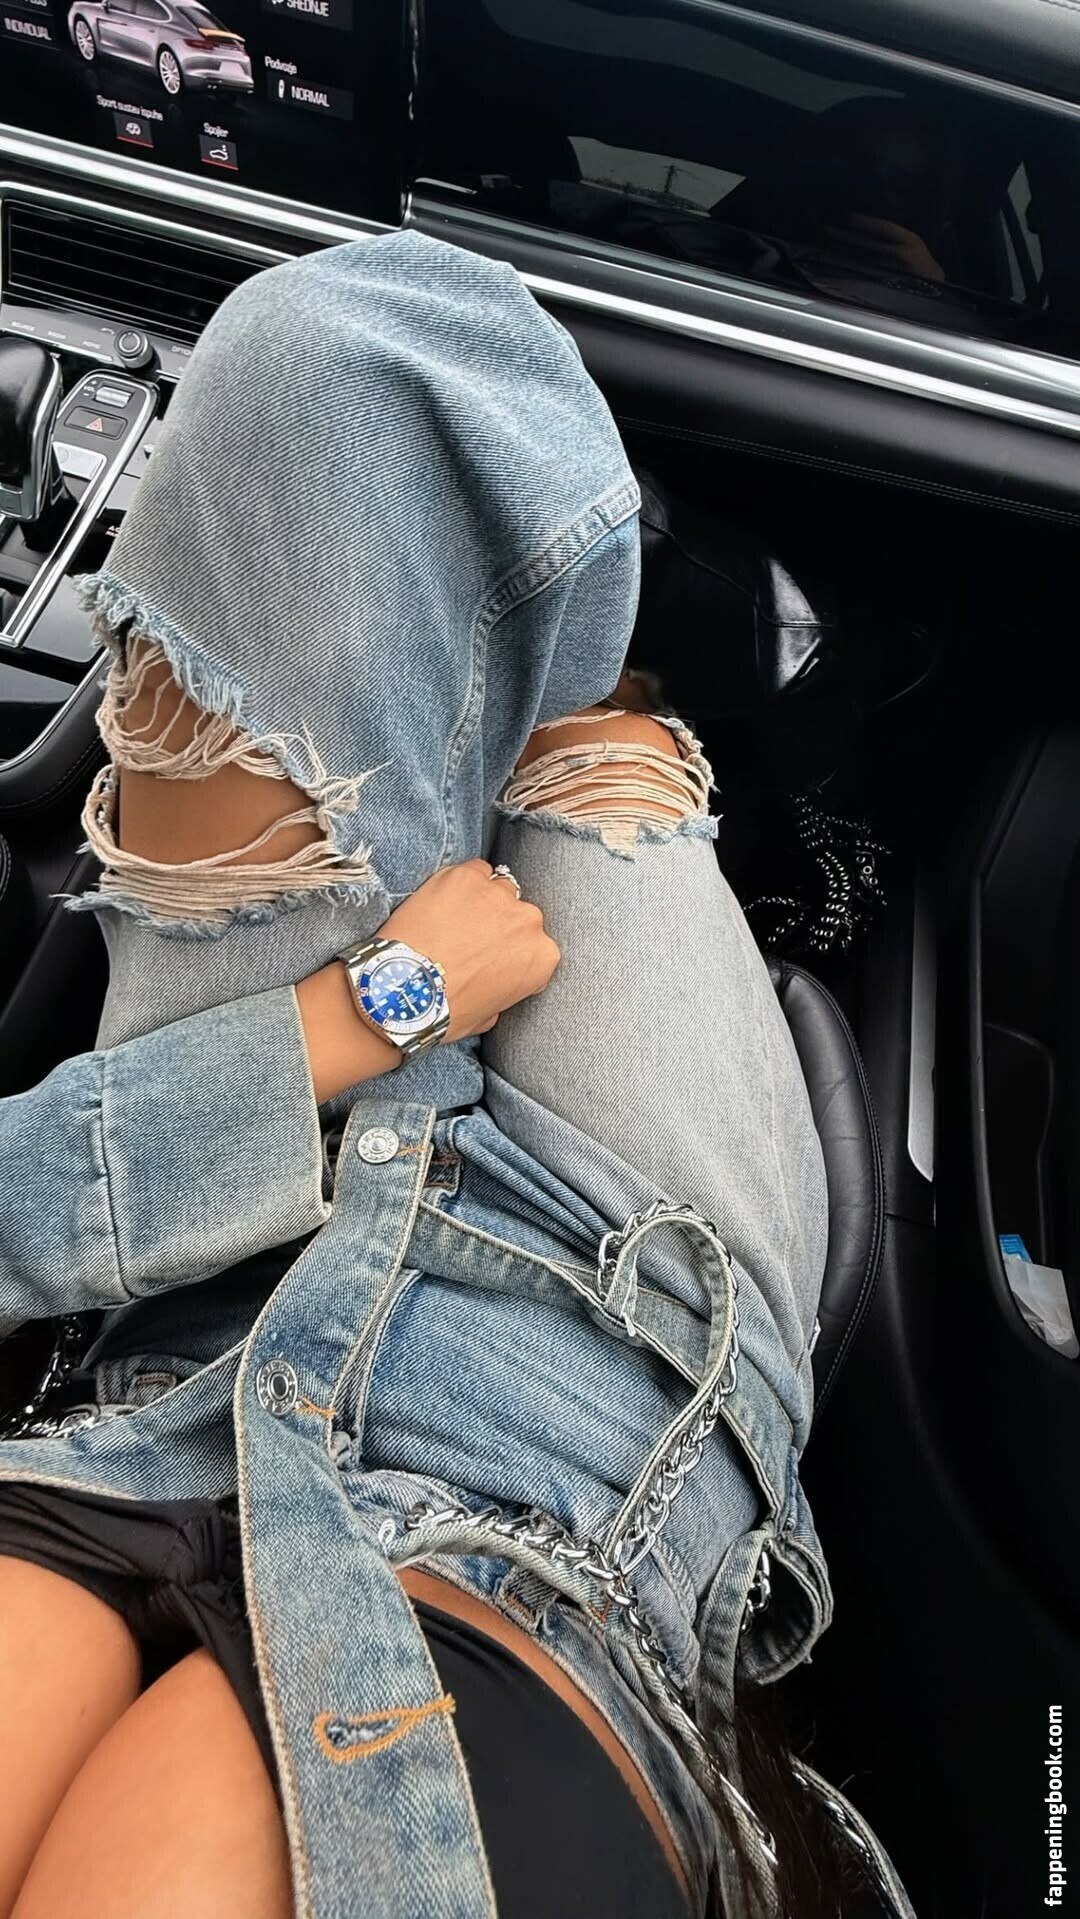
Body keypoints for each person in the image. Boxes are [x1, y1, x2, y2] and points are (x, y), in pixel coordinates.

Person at [0, 234, 914, 1919]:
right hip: (589, 1350)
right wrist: (395, 990)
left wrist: (356, 1021)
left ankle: (558, 687)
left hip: (193, 1289)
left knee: (329, 368)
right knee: (592, 752)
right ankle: (629, 698)